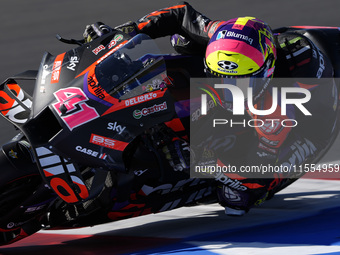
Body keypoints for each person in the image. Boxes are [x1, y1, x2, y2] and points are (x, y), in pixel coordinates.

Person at [83, 2, 339, 215]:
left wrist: (207, 160)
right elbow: (180, 14)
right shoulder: (221, 35)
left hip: (311, 125)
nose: (229, 88)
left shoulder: (282, 102)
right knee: (183, 44)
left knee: (238, 195)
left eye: (241, 81)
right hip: (257, 59)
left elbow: (260, 167)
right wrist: (124, 32)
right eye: (220, 77)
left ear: (267, 70)